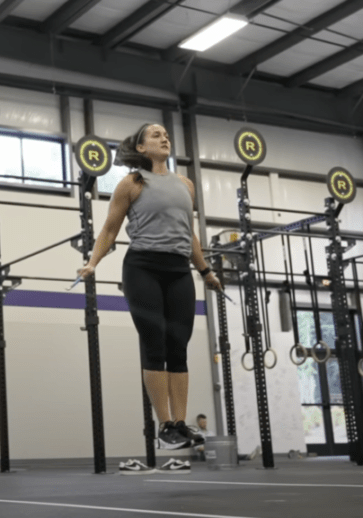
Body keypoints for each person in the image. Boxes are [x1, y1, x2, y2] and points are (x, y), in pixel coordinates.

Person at [78, 123, 222, 475]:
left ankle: (179, 424)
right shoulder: (132, 183)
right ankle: (164, 425)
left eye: (165, 134)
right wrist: (93, 262)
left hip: (178, 271)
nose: (164, 137)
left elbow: (189, 235)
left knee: (179, 345)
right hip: (142, 267)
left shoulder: (185, 185)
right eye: (155, 135)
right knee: (154, 341)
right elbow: (110, 228)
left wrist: (205, 272)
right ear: (141, 148)